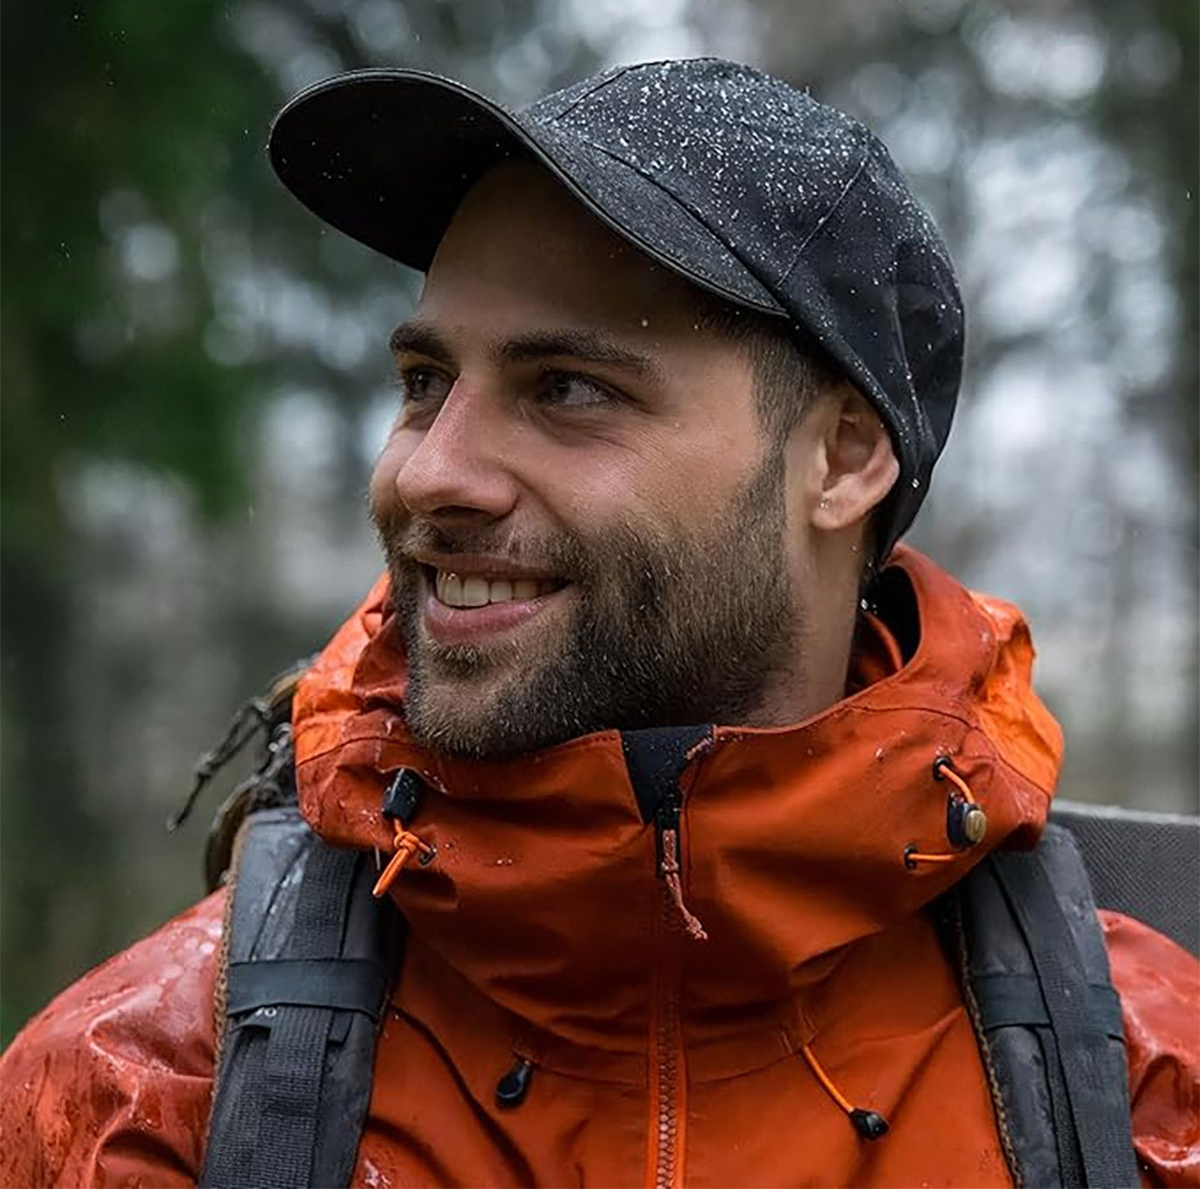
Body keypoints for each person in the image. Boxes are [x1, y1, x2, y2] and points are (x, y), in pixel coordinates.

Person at [2, 58, 1196, 1189]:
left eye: (568, 388)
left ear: (841, 458)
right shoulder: (139, 1099)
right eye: (425, 382)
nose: (430, 474)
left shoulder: (1149, 1094)